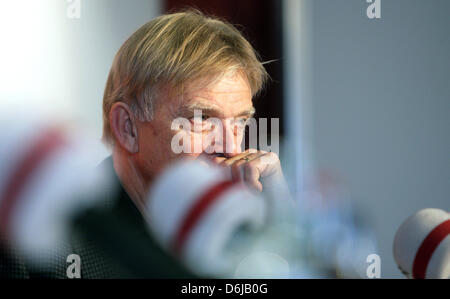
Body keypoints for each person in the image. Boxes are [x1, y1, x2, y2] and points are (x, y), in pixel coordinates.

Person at [102, 10, 286, 216]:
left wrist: (278, 212)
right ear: (128, 129)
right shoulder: (68, 239)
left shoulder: (219, 221)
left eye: (240, 121)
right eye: (202, 119)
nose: (232, 149)